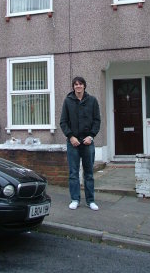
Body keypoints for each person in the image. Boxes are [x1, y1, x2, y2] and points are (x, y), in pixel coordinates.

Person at [60, 76, 101, 211]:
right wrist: (71, 137)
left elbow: (97, 121)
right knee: (73, 173)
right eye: (75, 84)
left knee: (89, 173)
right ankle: (75, 199)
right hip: (73, 143)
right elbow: (63, 122)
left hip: (88, 142)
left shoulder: (92, 101)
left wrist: (91, 136)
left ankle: (90, 201)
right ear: (73, 87)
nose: (78, 86)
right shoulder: (67, 101)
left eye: (80, 84)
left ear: (84, 86)